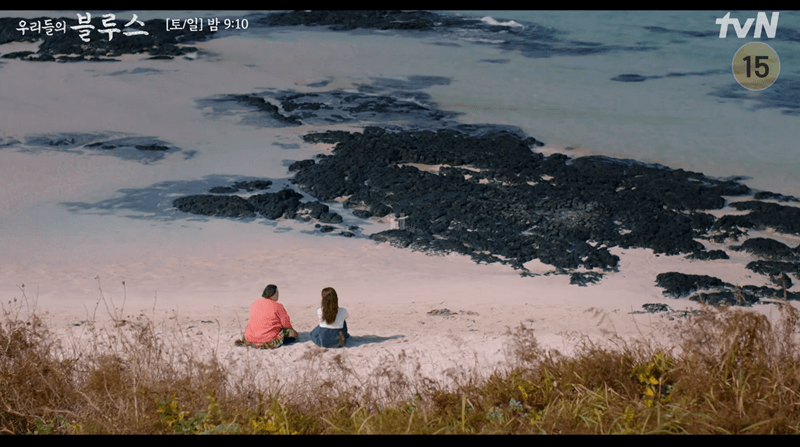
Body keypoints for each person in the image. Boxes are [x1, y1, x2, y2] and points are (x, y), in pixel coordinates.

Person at [237, 284, 298, 349]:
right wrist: (290, 330)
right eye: (277, 293)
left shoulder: (255, 302)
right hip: (269, 340)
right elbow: (286, 324)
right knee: (293, 334)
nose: (278, 295)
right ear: (272, 294)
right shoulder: (278, 306)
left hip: (250, 338)